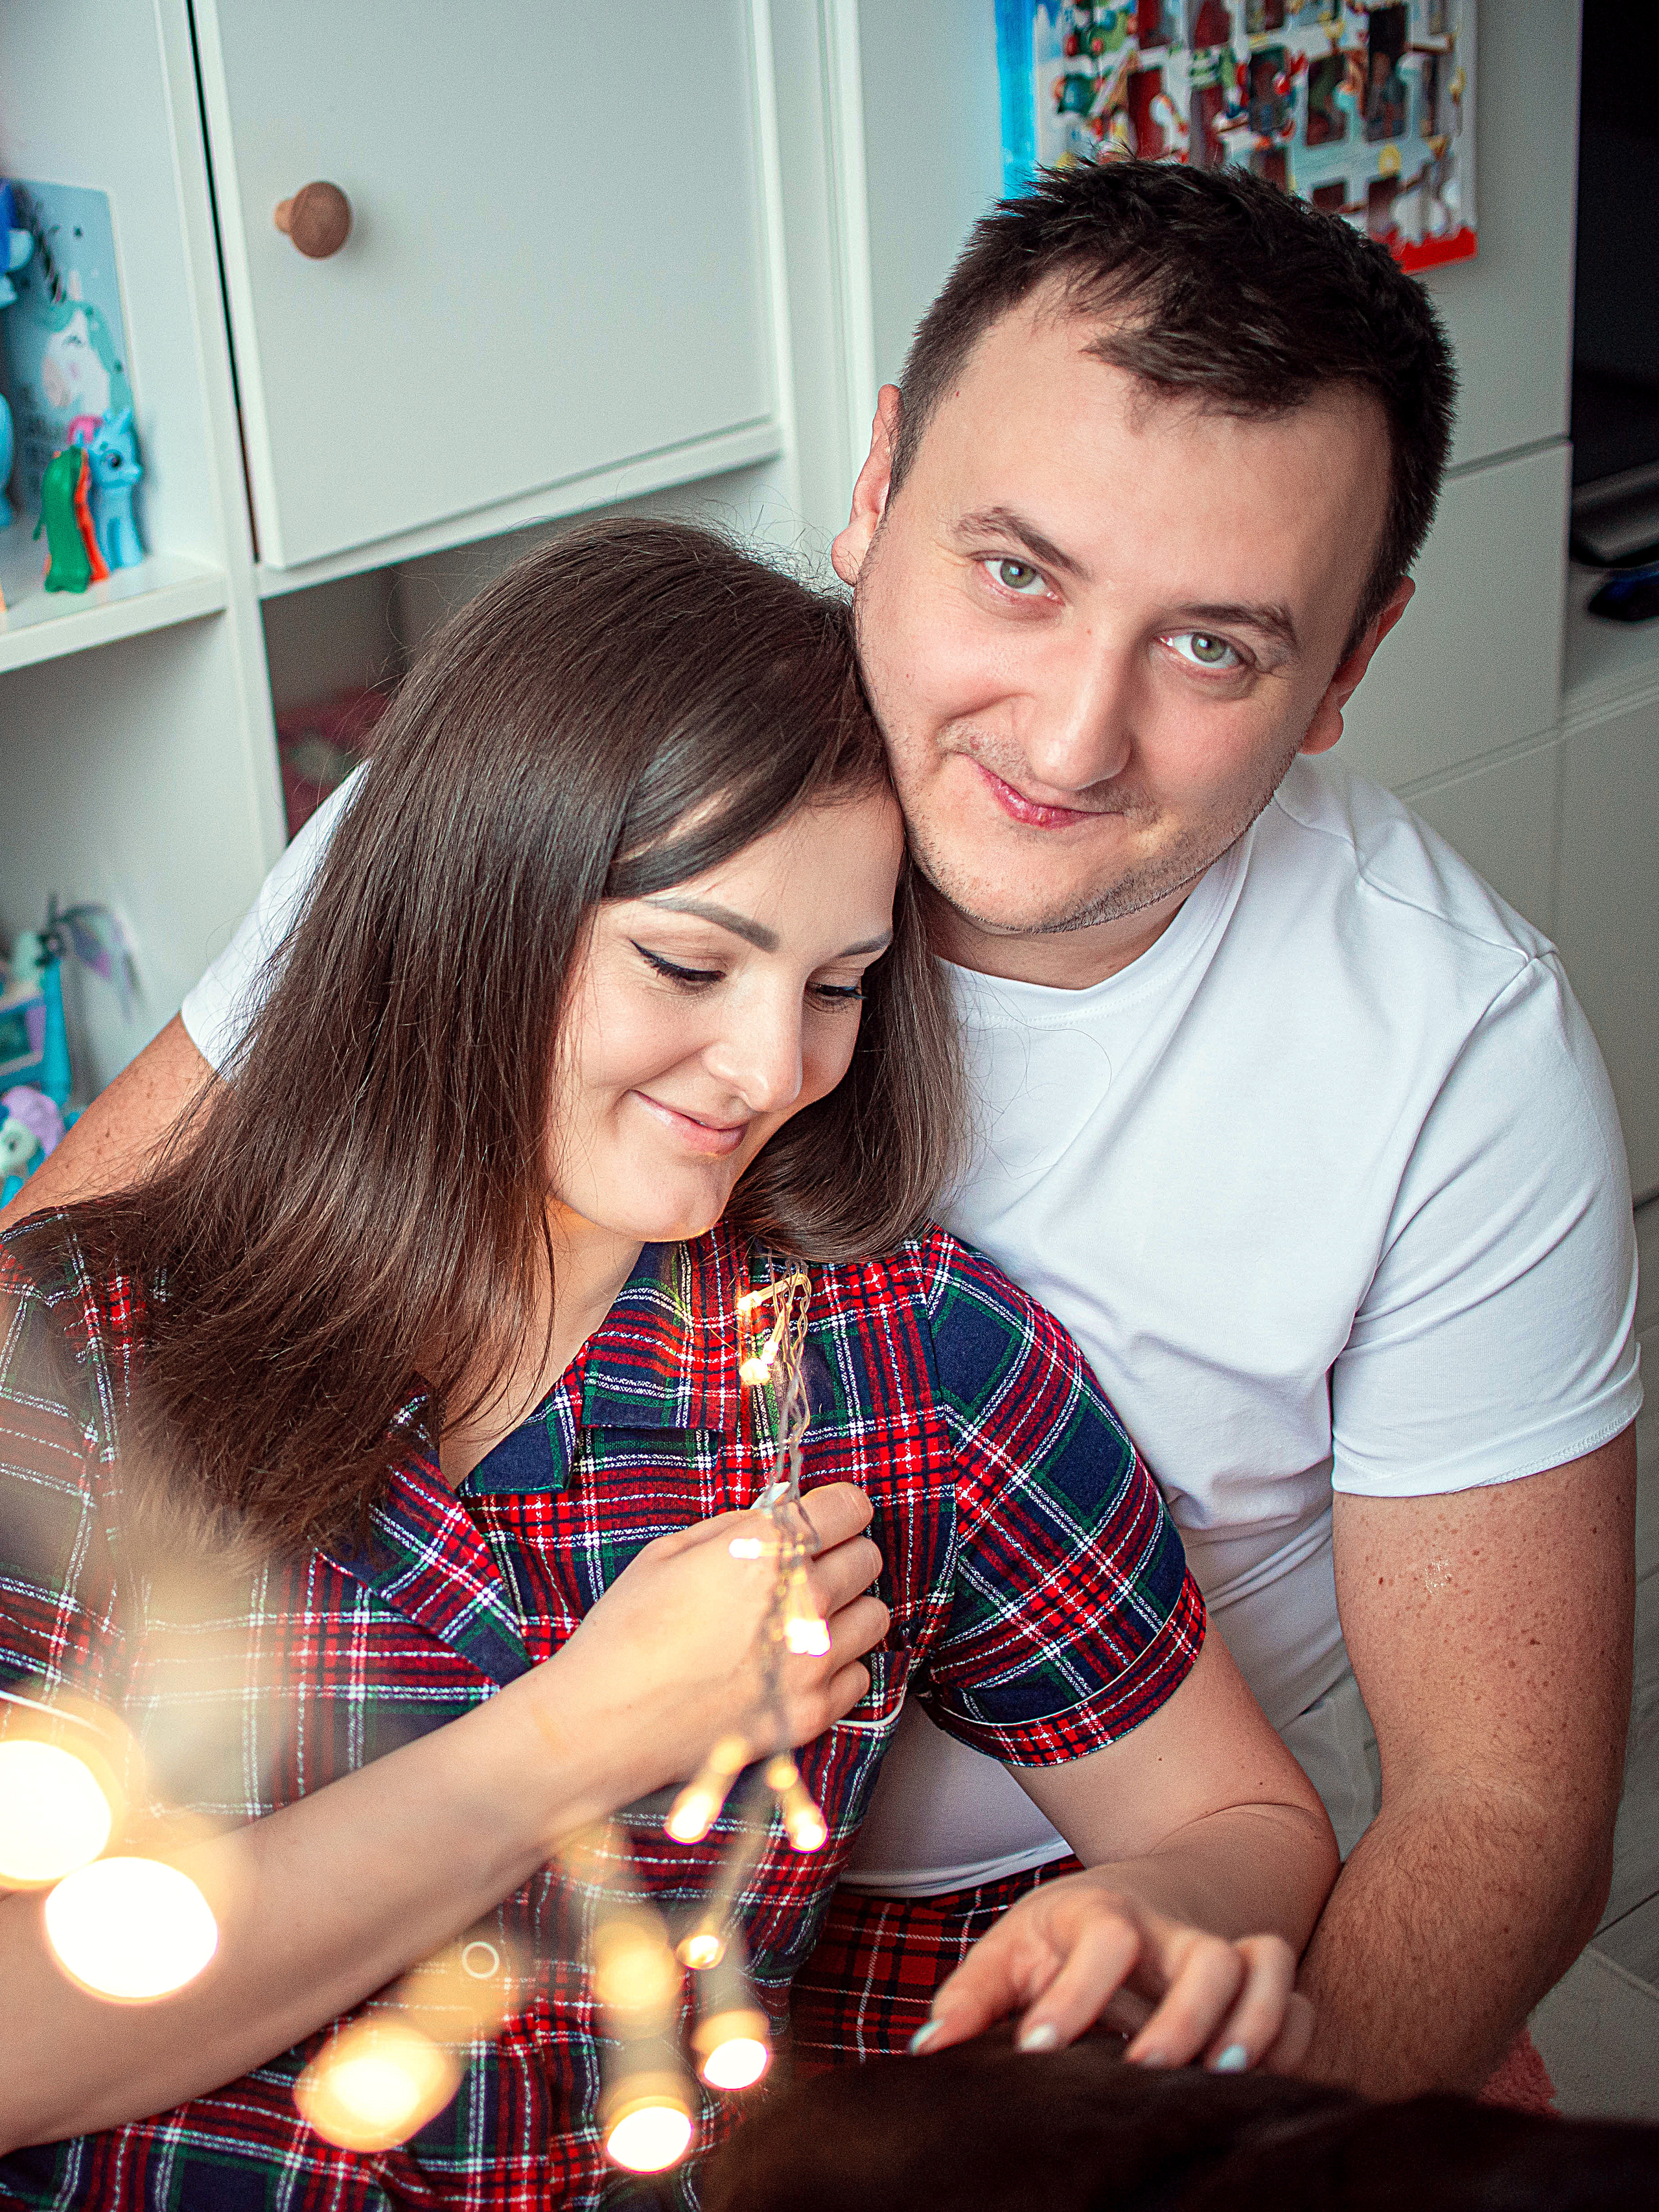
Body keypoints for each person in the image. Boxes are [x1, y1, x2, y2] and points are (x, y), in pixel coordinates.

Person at [10, 161, 1641, 2099]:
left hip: (1030, 1908)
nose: (1066, 735)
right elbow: (85, 1310)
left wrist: (1263, 2106)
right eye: (1016, 573)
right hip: (368, 1872)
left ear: (1344, 670)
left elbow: (1500, 1811)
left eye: (1213, 645)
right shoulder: (534, 806)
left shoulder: (1437, 1058)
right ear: (880, 485)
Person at [0, 522, 1337, 2209]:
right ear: (478, 901)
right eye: (690, 966)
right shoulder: (80, 1344)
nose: (774, 1065)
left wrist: (1165, 1913)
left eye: (839, 984)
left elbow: (1249, 1826)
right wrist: (577, 1740)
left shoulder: (901, 1364)